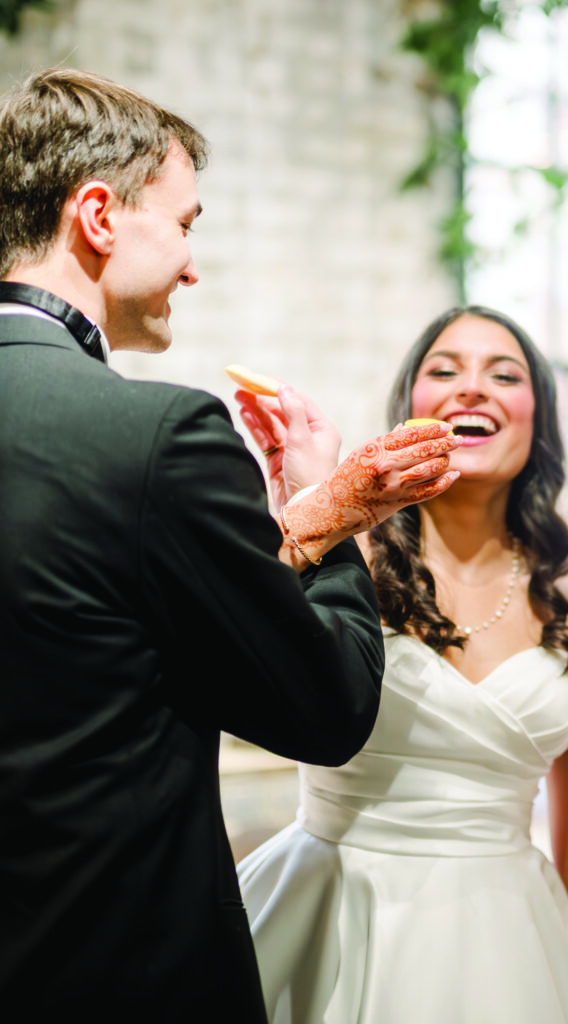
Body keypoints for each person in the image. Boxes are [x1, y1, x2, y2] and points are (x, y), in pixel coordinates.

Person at [0, 68, 460, 1021]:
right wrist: (329, 522)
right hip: (117, 973)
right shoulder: (156, 435)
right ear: (97, 216)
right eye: (184, 225)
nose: (192, 265)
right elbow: (322, 711)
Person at [237, 306, 568, 1023]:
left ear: (537, 421)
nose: (472, 389)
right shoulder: (338, 559)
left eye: (504, 374)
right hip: (334, 911)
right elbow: (224, 642)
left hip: (511, 943)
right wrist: (311, 510)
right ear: (408, 413)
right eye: (444, 371)